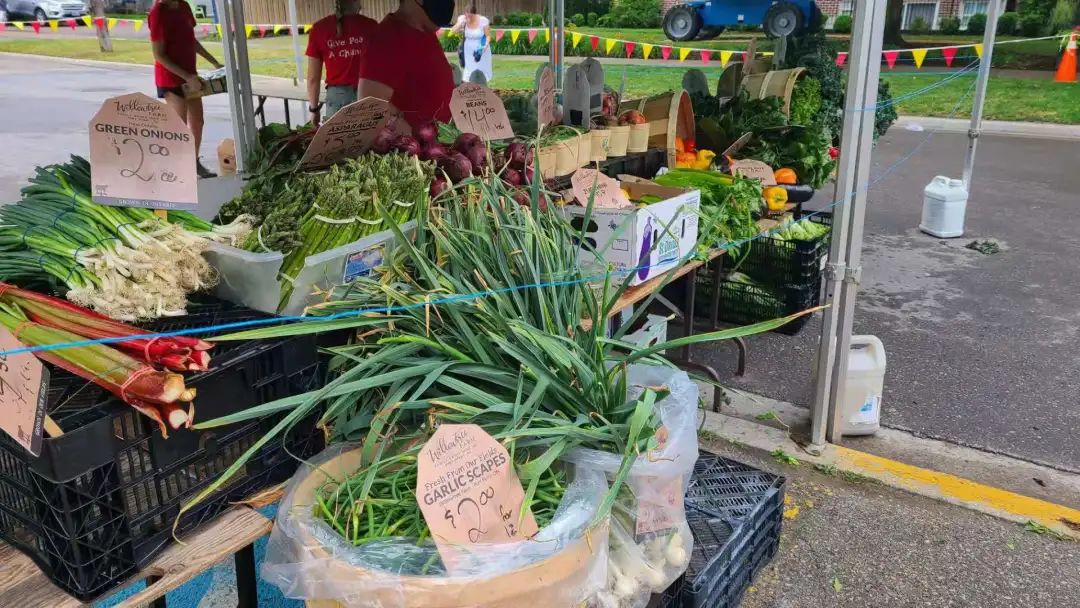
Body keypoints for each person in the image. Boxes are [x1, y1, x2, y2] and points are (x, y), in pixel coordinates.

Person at [148, 0, 222, 178]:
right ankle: (174, 169)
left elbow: (191, 39)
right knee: (178, 126)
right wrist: (187, 76)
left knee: (197, 121)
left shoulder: (183, 6)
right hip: (171, 78)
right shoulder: (158, 12)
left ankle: (193, 161)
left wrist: (213, 62)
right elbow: (159, 54)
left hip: (190, 76)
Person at [357, 0, 456, 130]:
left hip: (444, 141)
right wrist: (416, 141)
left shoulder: (425, 31)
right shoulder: (385, 39)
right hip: (418, 147)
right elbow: (370, 107)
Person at [305, 0, 378, 126]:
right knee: (367, 142)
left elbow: (313, 79)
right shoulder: (372, 26)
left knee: (337, 143)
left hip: (337, 98)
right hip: (368, 95)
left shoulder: (319, 28)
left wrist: (314, 110)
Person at [451, 5, 492, 84]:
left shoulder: (483, 21)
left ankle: (482, 90)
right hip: (468, 51)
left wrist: (483, 48)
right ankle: (470, 91)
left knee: (481, 73)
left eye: (471, 16)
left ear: (475, 14)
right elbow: (453, 31)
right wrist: (461, 23)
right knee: (469, 73)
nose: (469, 18)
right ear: (465, 14)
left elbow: (488, 36)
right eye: (467, 15)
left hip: (481, 49)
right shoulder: (462, 19)